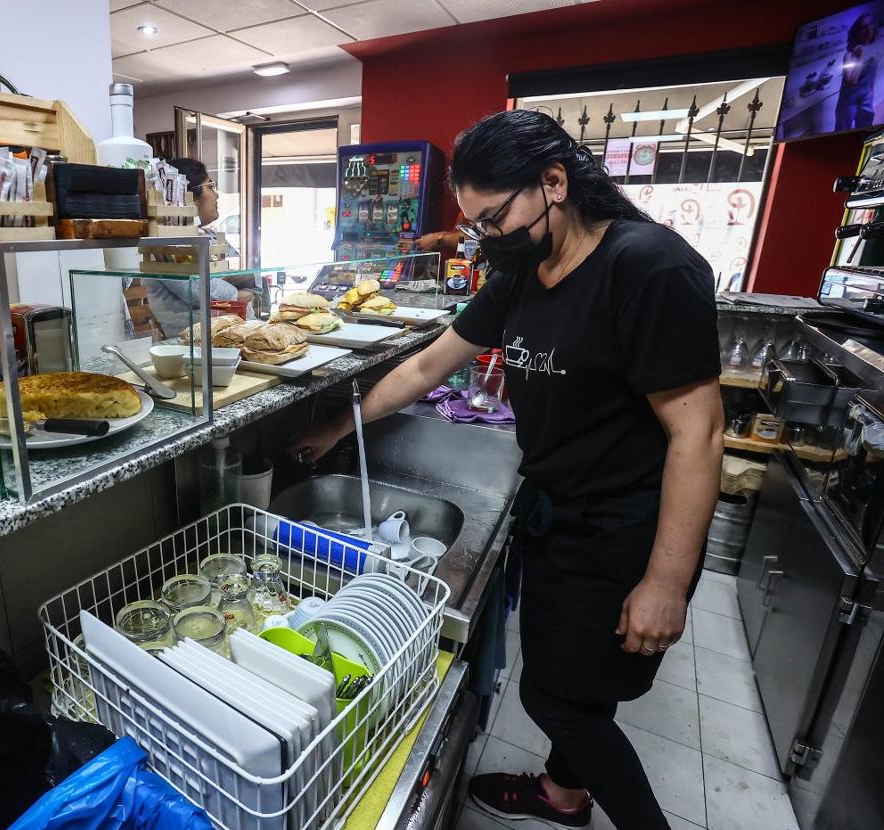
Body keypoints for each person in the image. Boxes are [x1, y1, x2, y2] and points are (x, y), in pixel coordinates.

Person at [292, 110, 723, 830]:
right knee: (582, 690)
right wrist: (338, 424)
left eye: (494, 219)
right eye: (476, 225)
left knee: (555, 700)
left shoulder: (646, 266)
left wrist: (666, 582)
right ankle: (563, 796)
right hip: (558, 512)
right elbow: (431, 363)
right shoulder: (525, 274)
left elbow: (700, 433)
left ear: (554, 183)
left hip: (627, 529)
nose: (487, 237)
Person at [145, 158, 255, 337]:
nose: (217, 195)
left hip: (236, 333)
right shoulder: (167, 241)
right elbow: (198, 289)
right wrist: (238, 294)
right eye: (211, 187)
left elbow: (248, 276)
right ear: (190, 195)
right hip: (192, 344)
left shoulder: (208, 235)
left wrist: (235, 286)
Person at [836, 12, 880, 132]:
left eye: (871, 25)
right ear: (857, 31)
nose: (868, 30)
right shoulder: (849, 56)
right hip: (848, 102)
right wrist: (861, 57)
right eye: (864, 27)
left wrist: (871, 90)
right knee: (841, 133)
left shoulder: (874, 52)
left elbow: (871, 75)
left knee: (865, 131)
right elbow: (852, 81)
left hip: (866, 100)